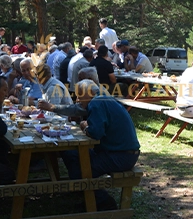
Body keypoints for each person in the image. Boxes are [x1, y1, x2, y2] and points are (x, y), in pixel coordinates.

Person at [60, 81, 140, 211]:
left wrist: (85, 127)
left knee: (80, 170)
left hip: (121, 156)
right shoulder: (103, 99)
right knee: (70, 153)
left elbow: (95, 133)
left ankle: (103, 201)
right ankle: (83, 191)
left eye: (80, 96)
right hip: (119, 152)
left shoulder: (96, 103)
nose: (78, 100)